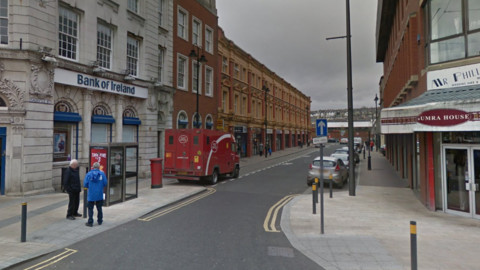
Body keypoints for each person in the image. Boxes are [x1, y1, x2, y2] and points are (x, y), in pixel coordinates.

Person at [84, 162, 108, 227]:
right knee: (99, 208)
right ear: (98, 167)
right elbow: (105, 183)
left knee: (90, 208)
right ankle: (100, 220)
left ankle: (90, 221)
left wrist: (90, 187)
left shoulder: (89, 174)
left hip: (91, 194)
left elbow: (85, 184)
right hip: (99, 193)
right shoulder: (102, 174)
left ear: (93, 167)